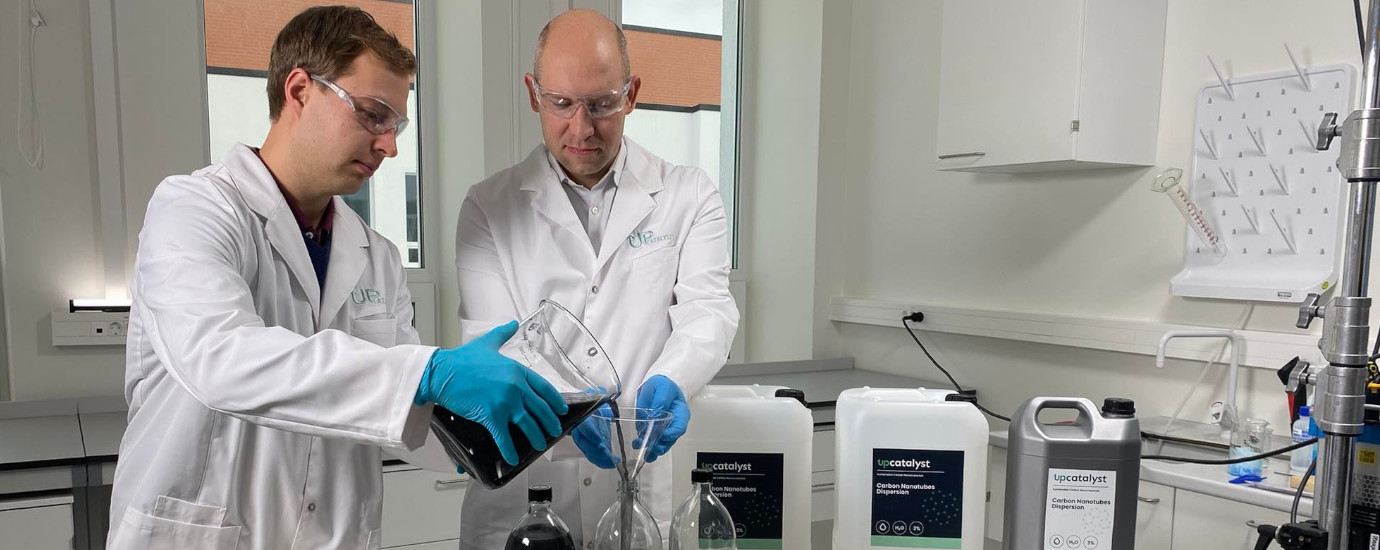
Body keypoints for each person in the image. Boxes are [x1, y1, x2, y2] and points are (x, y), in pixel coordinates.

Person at [106, 7, 567, 549]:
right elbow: (220, 358)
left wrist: (488, 421)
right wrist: (431, 371)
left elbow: (399, 413)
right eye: (373, 115)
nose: (389, 146)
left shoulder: (376, 256)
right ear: (299, 91)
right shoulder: (195, 210)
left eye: (396, 125)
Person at [453, 9, 740, 548]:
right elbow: (494, 345)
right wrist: (567, 405)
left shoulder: (689, 194)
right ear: (533, 94)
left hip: (637, 479)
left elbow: (709, 309)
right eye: (561, 103)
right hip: (525, 492)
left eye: (602, 104)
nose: (582, 127)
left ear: (631, 94)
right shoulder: (488, 207)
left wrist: (675, 378)